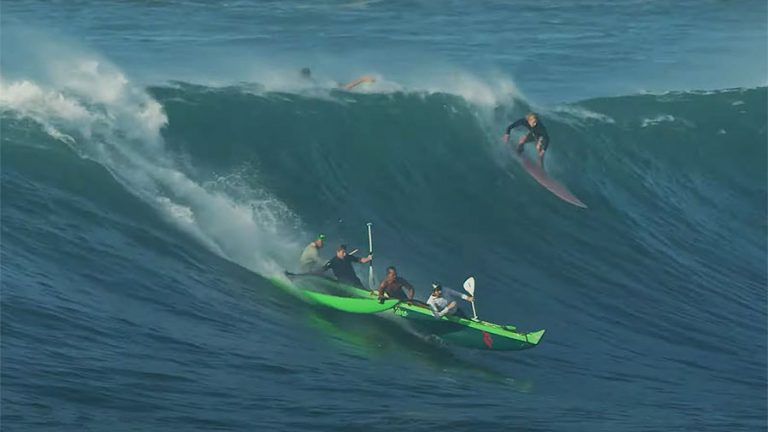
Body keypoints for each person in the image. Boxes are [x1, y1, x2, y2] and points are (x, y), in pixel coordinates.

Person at [300, 67, 376, 90]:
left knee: (346, 87)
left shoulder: (309, 81)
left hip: (330, 85)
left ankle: (363, 79)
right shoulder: (310, 80)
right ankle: (363, 79)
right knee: (347, 86)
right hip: (330, 84)